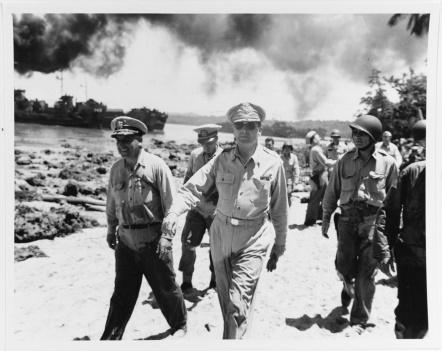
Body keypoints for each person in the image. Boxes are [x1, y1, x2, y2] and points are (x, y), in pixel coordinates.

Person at [162, 102, 288, 339]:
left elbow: (280, 209)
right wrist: (173, 212)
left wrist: (280, 245)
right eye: (239, 125)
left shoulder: (274, 163)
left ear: (259, 129)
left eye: (250, 125)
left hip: (254, 238)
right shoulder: (221, 159)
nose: (244, 130)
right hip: (221, 235)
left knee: (236, 302)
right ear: (233, 129)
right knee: (227, 303)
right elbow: (192, 188)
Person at [101, 116, 187, 340]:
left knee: (165, 288)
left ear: (139, 140)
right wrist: (111, 229)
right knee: (121, 294)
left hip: (153, 240)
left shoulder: (156, 166)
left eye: (127, 140)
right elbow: (111, 202)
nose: (122, 145)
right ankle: (111, 337)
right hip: (126, 241)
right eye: (118, 140)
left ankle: (179, 326)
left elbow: (172, 205)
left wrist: (167, 238)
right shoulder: (116, 169)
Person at [321, 115, 398, 336]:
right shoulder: (344, 160)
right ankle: (347, 284)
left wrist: (392, 231)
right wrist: (326, 218)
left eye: (362, 134)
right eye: (354, 133)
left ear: (373, 136)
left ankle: (359, 320)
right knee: (344, 265)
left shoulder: (388, 163)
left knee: (367, 273)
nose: (357, 137)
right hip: (346, 219)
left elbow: (394, 200)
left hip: (373, 222)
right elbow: (332, 191)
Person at [373, 119, 427, 338]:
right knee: (409, 320)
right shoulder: (412, 173)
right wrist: (383, 250)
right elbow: (389, 212)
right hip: (413, 258)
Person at [179, 124, 223, 293]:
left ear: (217, 139)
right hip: (196, 209)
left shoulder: (226, 158)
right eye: (203, 142)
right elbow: (188, 179)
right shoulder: (195, 155)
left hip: (216, 212)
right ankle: (186, 283)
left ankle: (214, 282)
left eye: (209, 142)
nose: (205, 146)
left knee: (217, 247)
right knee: (188, 244)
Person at [304, 130, 336, 226]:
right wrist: (338, 161)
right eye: (317, 136)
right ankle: (310, 220)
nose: (319, 137)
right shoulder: (316, 150)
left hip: (321, 174)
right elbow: (326, 163)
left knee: (322, 197)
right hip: (319, 175)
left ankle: (318, 217)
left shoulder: (316, 149)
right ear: (313, 139)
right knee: (315, 198)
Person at [281, 142, 300, 207]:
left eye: (288, 148)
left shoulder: (294, 157)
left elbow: (296, 169)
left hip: (289, 180)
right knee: (280, 197)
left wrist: (296, 180)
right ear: (283, 149)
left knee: (288, 194)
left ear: (291, 149)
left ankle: (287, 210)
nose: (287, 149)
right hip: (280, 180)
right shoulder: (279, 157)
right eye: (285, 148)